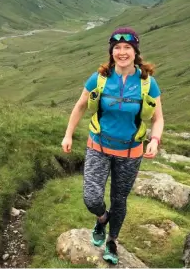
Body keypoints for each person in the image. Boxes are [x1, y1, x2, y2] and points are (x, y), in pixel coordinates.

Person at [61, 27, 164, 265]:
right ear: (111, 52)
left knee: (120, 200)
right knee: (91, 197)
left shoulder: (148, 83)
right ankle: (101, 219)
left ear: (135, 51)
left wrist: (155, 141)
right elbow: (80, 106)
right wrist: (68, 135)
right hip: (98, 146)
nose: (122, 52)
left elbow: (158, 118)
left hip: (130, 153)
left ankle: (112, 241)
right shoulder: (99, 79)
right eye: (117, 47)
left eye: (127, 47)